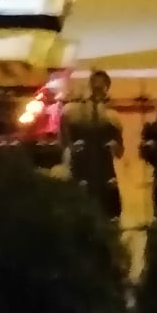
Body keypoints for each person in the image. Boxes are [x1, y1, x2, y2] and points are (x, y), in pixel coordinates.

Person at [59, 70, 124, 219]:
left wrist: (114, 145)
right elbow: (64, 143)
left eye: (101, 87)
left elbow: (120, 151)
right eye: (94, 85)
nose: (97, 90)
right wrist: (70, 150)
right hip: (80, 169)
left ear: (106, 89)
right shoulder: (71, 112)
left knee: (107, 213)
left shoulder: (112, 117)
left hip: (104, 172)